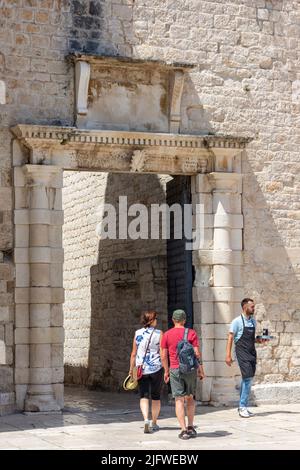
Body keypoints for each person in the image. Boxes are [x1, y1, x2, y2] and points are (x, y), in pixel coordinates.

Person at [161, 309, 205, 440]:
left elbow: (163, 355)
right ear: (184, 320)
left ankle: (183, 430)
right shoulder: (191, 333)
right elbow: (197, 354)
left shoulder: (167, 335)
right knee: (190, 398)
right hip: (190, 369)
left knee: (179, 400)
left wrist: (166, 370)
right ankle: (191, 427)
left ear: (173, 320)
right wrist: (201, 369)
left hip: (175, 369)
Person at [225, 298, 269, 418]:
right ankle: (242, 407)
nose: (254, 309)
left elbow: (251, 339)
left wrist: (260, 340)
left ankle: (243, 406)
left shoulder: (253, 321)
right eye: (252, 307)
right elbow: (230, 338)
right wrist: (228, 355)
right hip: (241, 353)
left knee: (248, 379)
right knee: (248, 378)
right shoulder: (237, 321)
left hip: (251, 353)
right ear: (245, 307)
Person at [129, 310, 163, 433]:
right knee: (156, 397)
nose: (157, 320)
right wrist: (166, 369)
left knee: (143, 395)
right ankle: (154, 422)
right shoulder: (159, 333)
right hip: (156, 368)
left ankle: (146, 420)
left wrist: (130, 370)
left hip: (140, 369)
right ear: (152, 320)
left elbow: (133, 353)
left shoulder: (137, 333)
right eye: (156, 318)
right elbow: (162, 353)